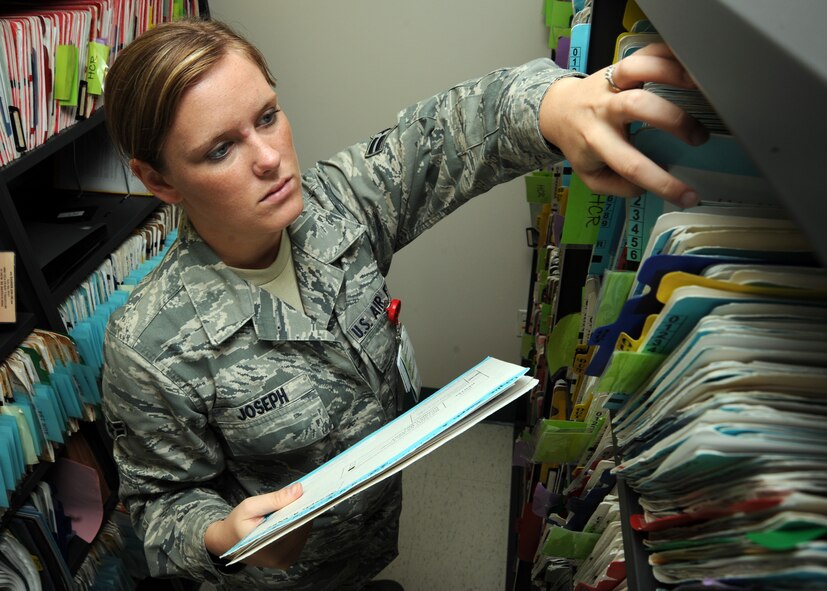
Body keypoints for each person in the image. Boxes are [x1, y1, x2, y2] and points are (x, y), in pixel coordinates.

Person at [100, 17, 707, 590]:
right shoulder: (149, 345)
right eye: (220, 150)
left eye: (267, 117)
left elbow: (443, 135)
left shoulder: (336, 206)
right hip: (280, 577)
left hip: (372, 526)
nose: (269, 158)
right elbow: (159, 503)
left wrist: (555, 104)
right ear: (160, 181)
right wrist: (219, 537)